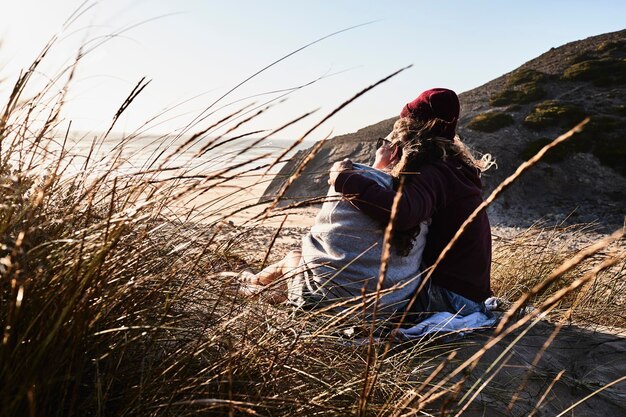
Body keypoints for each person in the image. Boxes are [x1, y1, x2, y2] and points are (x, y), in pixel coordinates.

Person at [329, 88, 494, 323]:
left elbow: (404, 213)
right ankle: (255, 282)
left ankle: (256, 286)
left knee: (304, 266)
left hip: (448, 298)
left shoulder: (434, 170)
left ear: (410, 128)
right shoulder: (454, 167)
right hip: (467, 296)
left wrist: (344, 179)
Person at [238, 138, 429, 320]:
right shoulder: (420, 202)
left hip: (329, 299)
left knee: (294, 257)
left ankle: (249, 285)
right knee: (300, 278)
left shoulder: (360, 178)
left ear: (394, 151)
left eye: (382, 144)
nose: (377, 149)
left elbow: (318, 241)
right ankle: (256, 281)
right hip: (384, 309)